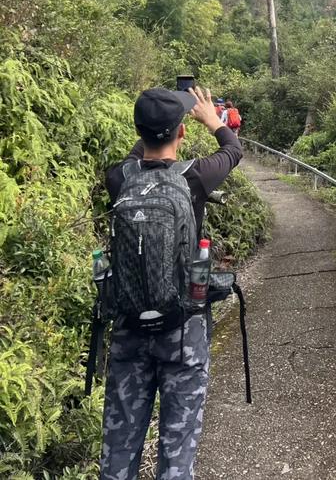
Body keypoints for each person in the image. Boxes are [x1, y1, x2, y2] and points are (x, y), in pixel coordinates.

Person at [100, 85, 242, 480]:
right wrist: (212, 120)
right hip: (182, 332)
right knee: (177, 454)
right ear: (181, 133)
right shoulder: (194, 177)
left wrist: (153, 122)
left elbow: (137, 154)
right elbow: (233, 150)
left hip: (128, 331)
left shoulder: (118, 178)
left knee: (118, 449)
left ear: (138, 130)